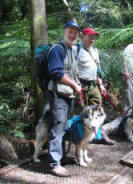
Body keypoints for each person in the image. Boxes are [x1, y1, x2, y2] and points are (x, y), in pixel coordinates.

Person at [47, 21, 81, 176]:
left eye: (75, 32)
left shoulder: (72, 50)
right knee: (57, 127)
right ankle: (54, 164)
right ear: (64, 32)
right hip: (58, 95)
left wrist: (77, 86)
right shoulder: (58, 50)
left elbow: (72, 73)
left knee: (64, 127)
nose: (73, 35)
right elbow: (56, 73)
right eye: (70, 31)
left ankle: (61, 157)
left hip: (68, 95)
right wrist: (75, 85)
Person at [76, 27, 115, 145]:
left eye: (94, 37)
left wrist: (100, 84)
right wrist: (75, 85)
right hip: (80, 86)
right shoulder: (75, 49)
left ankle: (99, 136)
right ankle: (79, 139)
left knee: (98, 111)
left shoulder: (95, 51)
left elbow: (97, 69)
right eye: (89, 36)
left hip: (93, 86)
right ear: (83, 36)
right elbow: (70, 68)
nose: (92, 39)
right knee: (80, 113)